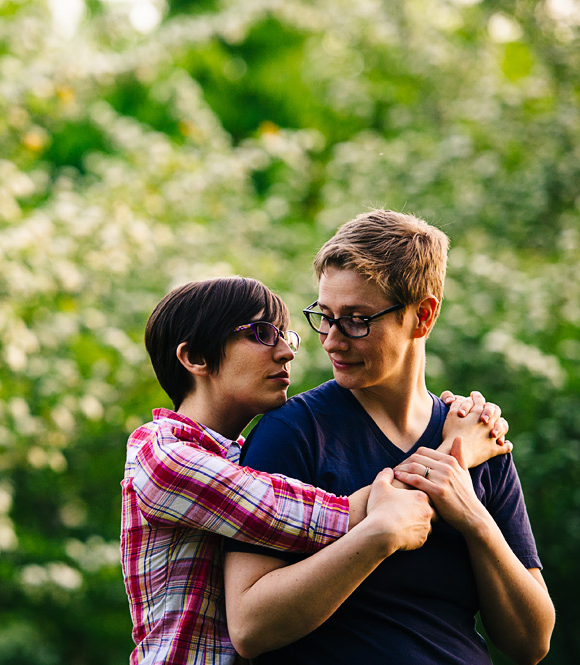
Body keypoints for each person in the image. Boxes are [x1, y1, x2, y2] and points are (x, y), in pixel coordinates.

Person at [121, 276, 512, 665]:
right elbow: (288, 512)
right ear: (196, 358)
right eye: (261, 334)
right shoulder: (160, 456)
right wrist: (454, 452)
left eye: (285, 337)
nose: (287, 353)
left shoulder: (237, 458)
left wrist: (445, 426)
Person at [222, 211, 555, 664]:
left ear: (422, 316)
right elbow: (249, 626)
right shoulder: (293, 433)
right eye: (326, 316)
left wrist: (473, 517)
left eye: (357, 320)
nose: (332, 341)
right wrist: (378, 536)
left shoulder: (477, 436)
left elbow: (531, 642)